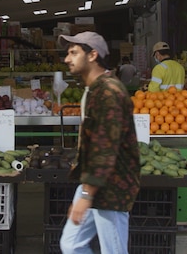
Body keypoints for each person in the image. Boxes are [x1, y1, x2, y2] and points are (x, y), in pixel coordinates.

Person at [58, 31, 140, 254]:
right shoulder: (94, 90)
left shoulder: (109, 92)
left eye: (73, 52)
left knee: (113, 250)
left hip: (111, 186)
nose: (67, 59)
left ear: (92, 55)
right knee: (70, 244)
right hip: (93, 183)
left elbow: (106, 148)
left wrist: (86, 195)